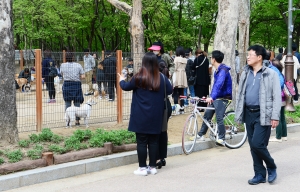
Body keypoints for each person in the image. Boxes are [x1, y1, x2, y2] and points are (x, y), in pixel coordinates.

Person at [118, 52, 173, 176]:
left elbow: (126, 87)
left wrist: (121, 80)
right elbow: (169, 90)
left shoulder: (138, 77)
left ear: (143, 63)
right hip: (156, 115)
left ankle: (142, 168)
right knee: (154, 141)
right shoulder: (162, 78)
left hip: (140, 115)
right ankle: (152, 167)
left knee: (141, 142)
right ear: (155, 63)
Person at [235, 45, 281, 185]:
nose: (248, 57)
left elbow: (277, 96)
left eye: (250, 54)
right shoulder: (245, 73)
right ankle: (259, 174)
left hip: (263, 114)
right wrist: (239, 112)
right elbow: (241, 93)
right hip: (248, 112)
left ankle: (271, 166)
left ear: (259, 57)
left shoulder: (270, 73)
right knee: (253, 145)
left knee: (257, 143)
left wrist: (275, 116)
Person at [192, 50, 232, 146]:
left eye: (211, 57)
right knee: (207, 115)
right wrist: (211, 97)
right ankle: (201, 134)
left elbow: (219, 85)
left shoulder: (223, 71)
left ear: (214, 59)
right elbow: (215, 86)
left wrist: (212, 97)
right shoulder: (217, 71)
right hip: (217, 97)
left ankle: (222, 138)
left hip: (224, 98)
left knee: (219, 117)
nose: (210, 59)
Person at [60, 51, 85, 126]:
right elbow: (83, 76)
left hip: (67, 84)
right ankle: (77, 121)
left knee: (67, 103)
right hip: (76, 84)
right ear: (73, 58)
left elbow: (61, 74)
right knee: (77, 103)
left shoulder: (63, 65)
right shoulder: (78, 65)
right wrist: (77, 77)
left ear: (66, 58)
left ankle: (67, 121)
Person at [156, 60, 172, 169]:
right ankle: (162, 157)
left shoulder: (158, 77)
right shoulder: (165, 77)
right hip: (167, 105)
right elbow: (170, 90)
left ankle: (157, 158)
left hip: (160, 106)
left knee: (156, 132)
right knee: (163, 131)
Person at [269, 59, 288, 143]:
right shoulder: (282, 75)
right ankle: (284, 136)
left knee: (278, 118)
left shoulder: (275, 75)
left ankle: (278, 137)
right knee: (282, 117)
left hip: (279, 98)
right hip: (284, 98)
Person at [172, 46, 188, 113]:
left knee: (175, 93)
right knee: (181, 93)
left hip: (177, 75)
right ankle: (182, 108)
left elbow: (174, 68)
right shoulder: (185, 59)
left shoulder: (176, 59)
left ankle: (176, 108)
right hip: (183, 76)